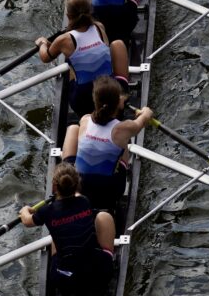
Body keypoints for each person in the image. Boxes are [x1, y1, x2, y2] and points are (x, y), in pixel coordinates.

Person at [20, 162, 116, 296]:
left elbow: (26, 221)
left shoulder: (46, 211)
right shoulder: (84, 202)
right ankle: (106, 264)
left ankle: (69, 291)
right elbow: (76, 196)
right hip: (98, 273)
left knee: (56, 233)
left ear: (54, 186)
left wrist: (25, 209)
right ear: (77, 184)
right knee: (104, 217)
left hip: (64, 279)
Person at [62, 75, 154, 213]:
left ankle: (65, 173)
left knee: (73, 128)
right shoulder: (124, 128)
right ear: (119, 103)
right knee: (123, 142)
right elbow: (145, 118)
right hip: (109, 194)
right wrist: (145, 111)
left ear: (95, 100)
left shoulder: (85, 120)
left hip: (78, 188)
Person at [35, 0, 129, 117]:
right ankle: (123, 93)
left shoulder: (64, 40)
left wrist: (42, 43)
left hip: (84, 102)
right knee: (117, 45)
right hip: (110, 93)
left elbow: (45, 57)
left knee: (70, 63)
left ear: (68, 16)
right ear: (90, 11)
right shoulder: (99, 27)